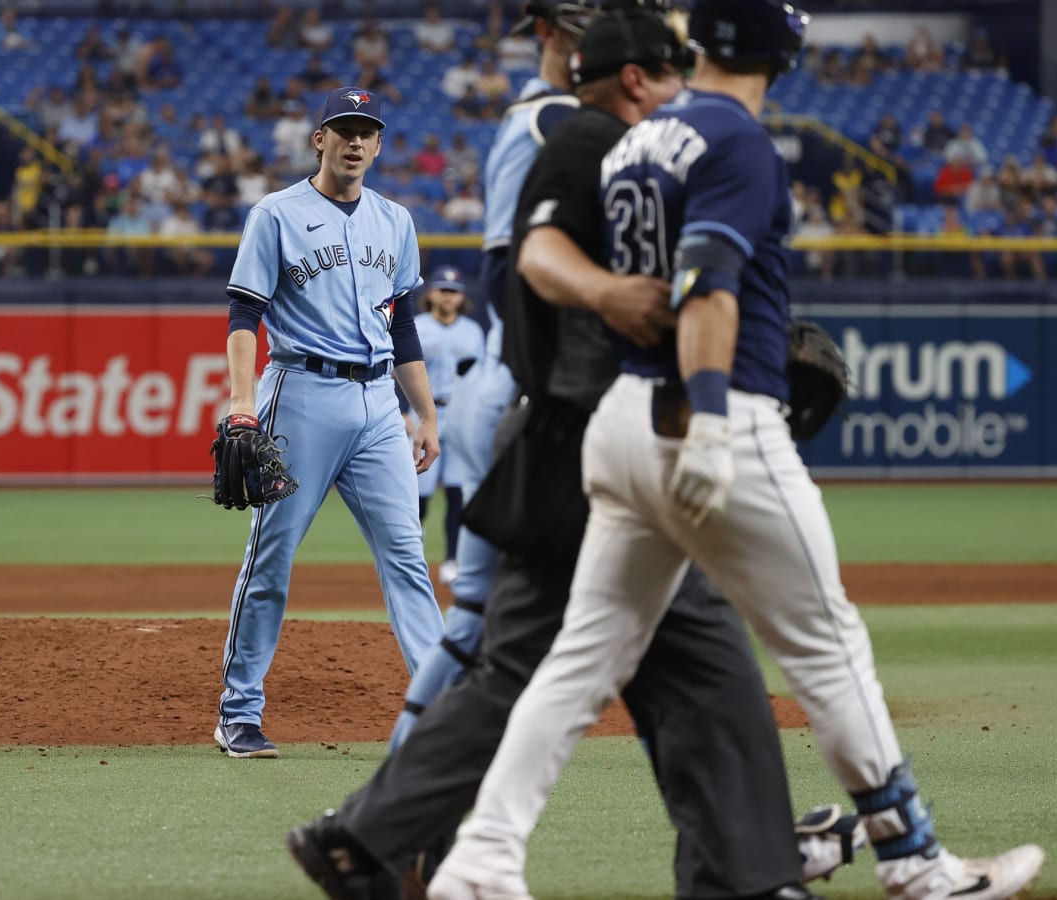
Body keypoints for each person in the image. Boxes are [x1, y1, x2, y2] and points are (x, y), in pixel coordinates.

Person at [429, 3, 1046, 900]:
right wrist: (713, 420)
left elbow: (545, 246)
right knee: (829, 646)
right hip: (711, 419)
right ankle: (917, 863)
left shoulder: (640, 137)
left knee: (580, 660)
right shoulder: (740, 140)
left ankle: (481, 861)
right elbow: (709, 282)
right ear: (780, 49)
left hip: (622, 424)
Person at [286, 7, 862, 899]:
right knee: (663, 662)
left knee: (650, 665)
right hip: (588, 428)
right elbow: (543, 282)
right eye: (670, 71)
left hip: (575, 425)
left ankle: (371, 837)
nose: (683, 88)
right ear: (634, 76)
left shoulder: (588, 136)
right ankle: (746, 873)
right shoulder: (569, 130)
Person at [213, 86, 446, 759]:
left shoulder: (396, 220)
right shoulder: (276, 214)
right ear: (318, 138)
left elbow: (399, 325)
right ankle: (239, 711)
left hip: (379, 406)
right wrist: (241, 401)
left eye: (365, 130)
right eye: (342, 128)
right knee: (273, 557)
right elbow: (243, 316)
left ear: (378, 143)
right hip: (301, 393)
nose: (354, 141)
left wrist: (424, 413)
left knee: (407, 557)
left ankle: (439, 709)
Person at [407, 267, 485, 590]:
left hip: (460, 412)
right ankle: (413, 555)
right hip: (422, 412)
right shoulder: (417, 327)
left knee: (457, 491)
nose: (448, 296)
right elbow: (400, 369)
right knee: (418, 493)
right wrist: (402, 410)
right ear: (430, 294)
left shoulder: (473, 331)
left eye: (453, 291)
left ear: (462, 297)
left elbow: (481, 378)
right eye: (442, 290)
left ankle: (452, 559)